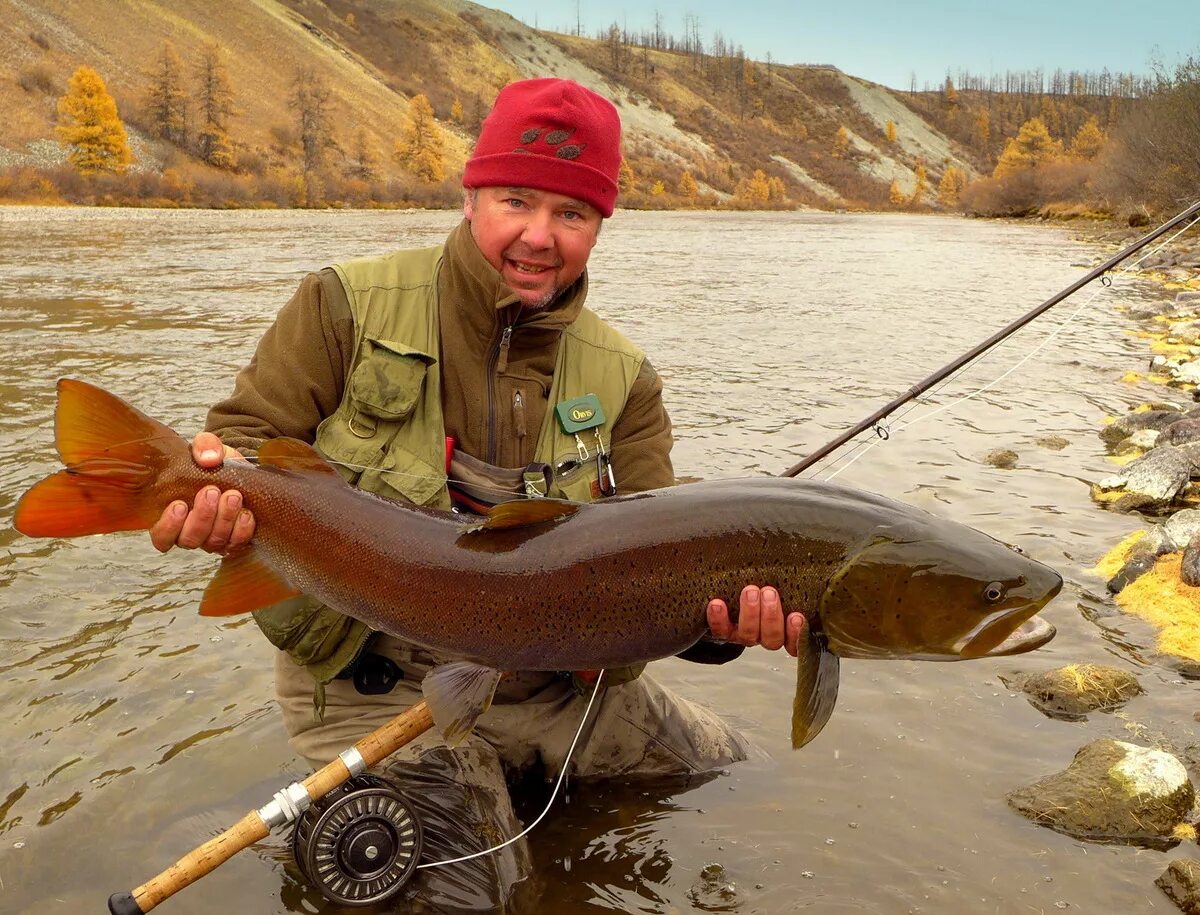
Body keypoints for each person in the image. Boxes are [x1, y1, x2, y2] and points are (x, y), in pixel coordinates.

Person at [149, 78, 805, 912]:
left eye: (572, 213)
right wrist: (207, 495)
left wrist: (723, 632)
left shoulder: (627, 379)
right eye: (516, 201)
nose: (540, 236)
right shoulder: (343, 304)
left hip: (555, 686)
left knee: (745, 777)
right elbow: (240, 442)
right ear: (469, 196)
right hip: (373, 681)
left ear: (602, 226)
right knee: (471, 896)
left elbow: (666, 569)